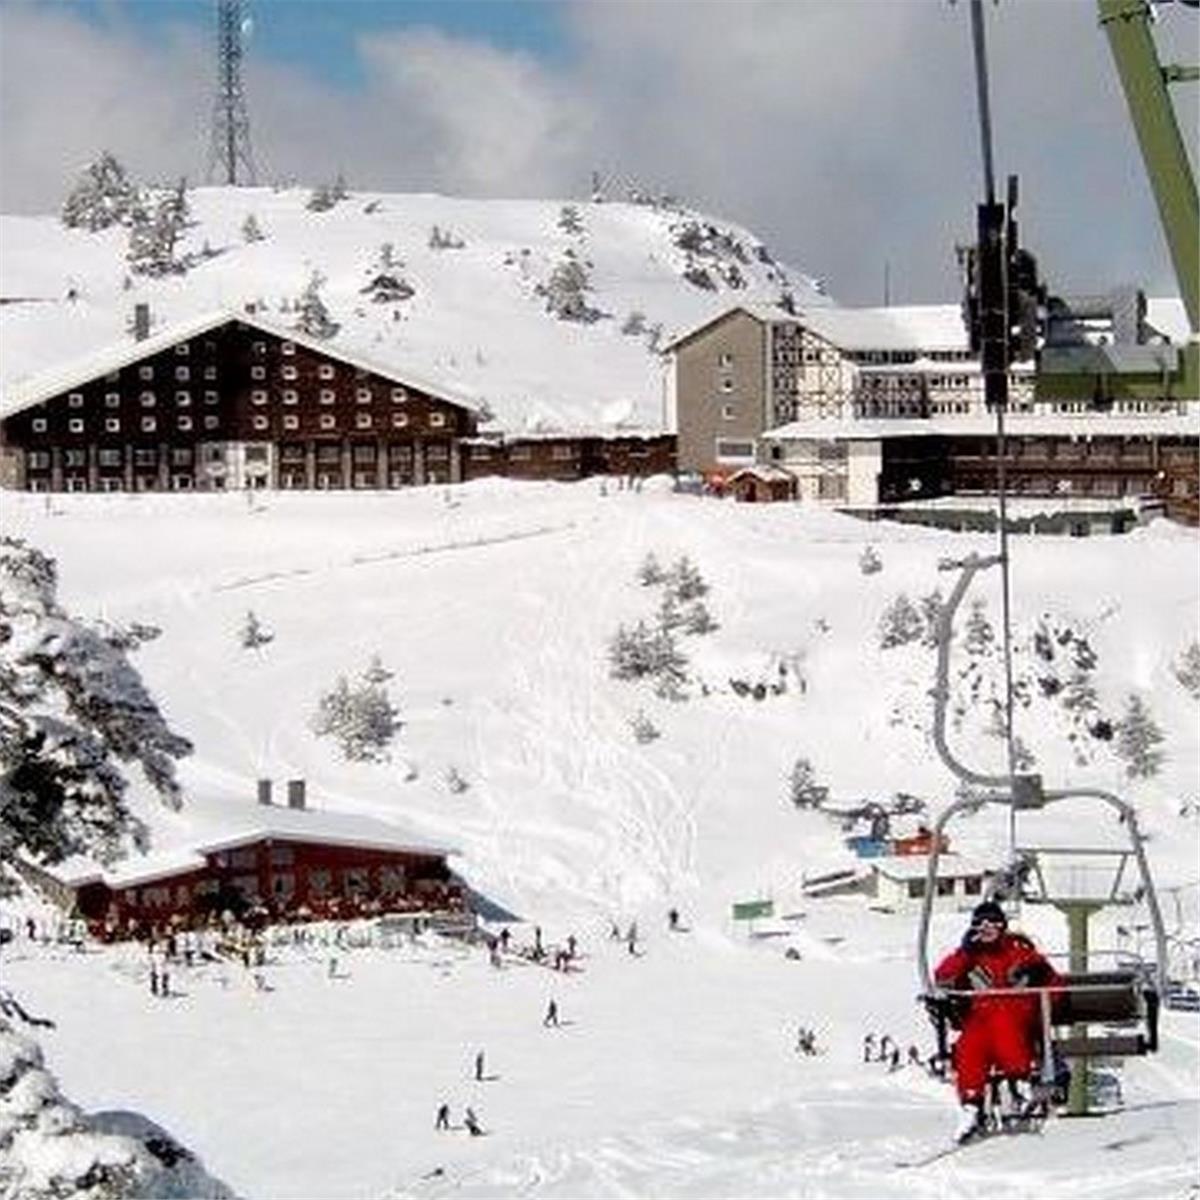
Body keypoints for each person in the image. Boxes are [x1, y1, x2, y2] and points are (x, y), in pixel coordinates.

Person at [934, 900, 1060, 1143]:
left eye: (993, 922)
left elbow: (1054, 987)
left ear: (1003, 925)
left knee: (1001, 1020)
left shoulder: (1019, 951)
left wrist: (1039, 976)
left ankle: (1019, 1082)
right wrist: (965, 954)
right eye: (980, 924)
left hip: (1017, 1014)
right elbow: (943, 977)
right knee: (969, 1045)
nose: (987, 928)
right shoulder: (969, 956)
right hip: (981, 1018)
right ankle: (971, 1103)